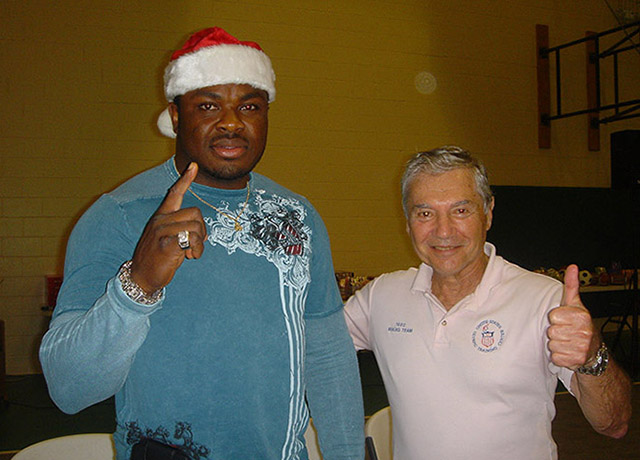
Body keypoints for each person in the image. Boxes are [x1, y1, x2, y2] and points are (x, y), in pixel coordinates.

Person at [40, 27, 364, 460]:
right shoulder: (118, 215)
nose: (231, 123)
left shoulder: (297, 215)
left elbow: (328, 356)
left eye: (249, 106)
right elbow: (68, 387)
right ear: (176, 116)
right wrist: (138, 285)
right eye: (208, 106)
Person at [344, 146, 632, 460]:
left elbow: (613, 423)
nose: (443, 231)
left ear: (488, 212)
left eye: (461, 210)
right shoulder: (381, 297)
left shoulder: (545, 300)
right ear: (408, 221)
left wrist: (591, 357)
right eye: (425, 213)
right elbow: (304, 346)